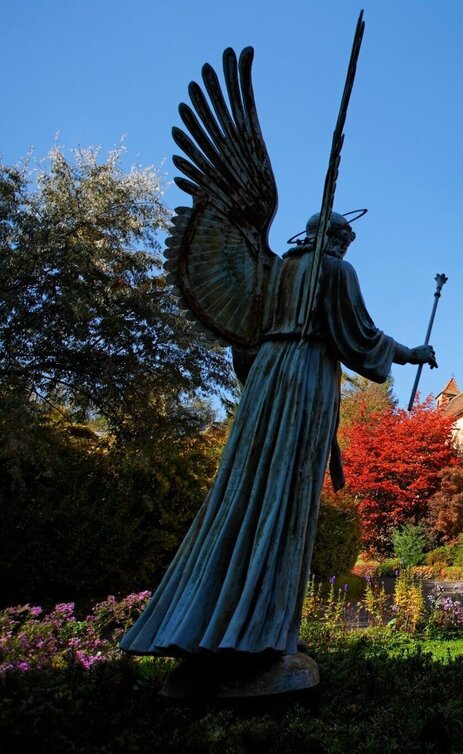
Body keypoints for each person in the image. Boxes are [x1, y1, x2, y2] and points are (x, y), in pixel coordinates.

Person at [121, 212, 436, 656]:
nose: (348, 245)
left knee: (243, 488)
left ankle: (207, 620)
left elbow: (241, 340)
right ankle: (261, 629)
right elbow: (360, 337)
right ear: (332, 237)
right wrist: (412, 354)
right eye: (344, 237)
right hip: (305, 377)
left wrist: (264, 378)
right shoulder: (334, 270)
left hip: (267, 381)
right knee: (288, 494)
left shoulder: (270, 272)